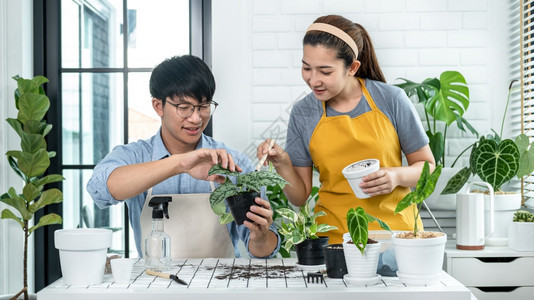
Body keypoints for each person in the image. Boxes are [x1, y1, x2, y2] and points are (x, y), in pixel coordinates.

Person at [257, 15, 435, 245]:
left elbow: (428, 167)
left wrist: (397, 176)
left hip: (397, 235)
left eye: (325, 71)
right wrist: (281, 163)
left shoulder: (391, 99)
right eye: (306, 68)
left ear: (352, 67)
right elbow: (300, 196)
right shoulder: (303, 113)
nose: (313, 80)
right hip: (335, 239)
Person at [87, 55, 280, 259]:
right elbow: (99, 190)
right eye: (184, 108)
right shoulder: (136, 156)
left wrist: (261, 238)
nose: (196, 118)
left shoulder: (232, 162)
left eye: (204, 106)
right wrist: (180, 163)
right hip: (155, 285)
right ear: (158, 106)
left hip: (219, 287)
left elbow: (263, 251)